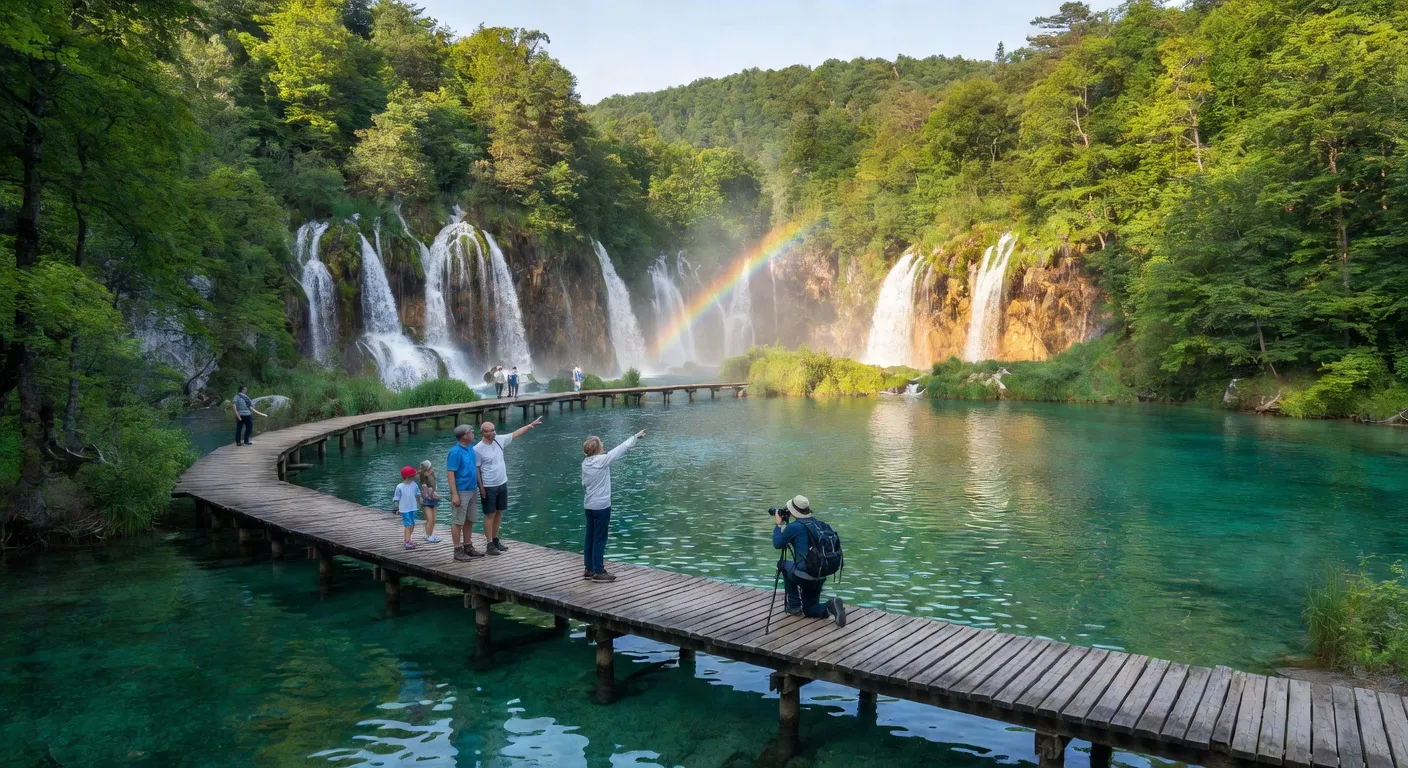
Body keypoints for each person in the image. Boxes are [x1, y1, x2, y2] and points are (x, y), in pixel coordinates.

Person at [580, 428, 646, 582]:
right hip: (601, 506)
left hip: (588, 505)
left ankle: (588, 569)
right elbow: (620, 449)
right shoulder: (603, 461)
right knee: (599, 539)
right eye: (601, 445)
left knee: (589, 537)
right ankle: (598, 571)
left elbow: (583, 484)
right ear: (597, 450)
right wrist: (635, 436)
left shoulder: (585, 463)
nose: (604, 447)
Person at [772, 495, 845, 625]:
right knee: (810, 609)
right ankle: (830, 605)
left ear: (793, 512)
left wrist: (779, 525)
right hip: (820, 574)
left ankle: (794, 606)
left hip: (805, 575)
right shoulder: (817, 524)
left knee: (783, 565)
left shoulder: (795, 527)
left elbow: (778, 543)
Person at [474, 416, 542, 555]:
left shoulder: (499, 440)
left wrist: (530, 425)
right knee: (489, 514)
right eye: (490, 431)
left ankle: (495, 539)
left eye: (494, 430)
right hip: (488, 485)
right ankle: (488, 544)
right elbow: (477, 470)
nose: (493, 433)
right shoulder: (477, 449)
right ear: (483, 433)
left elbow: (516, 434)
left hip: (502, 482)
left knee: (499, 512)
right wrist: (481, 487)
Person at [446, 424, 484, 561]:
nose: (473, 433)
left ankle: (468, 546)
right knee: (458, 520)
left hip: (472, 489)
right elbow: (450, 474)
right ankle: (457, 550)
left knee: (470, 519)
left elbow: (474, 468)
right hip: (461, 490)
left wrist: (480, 487)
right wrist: (454, 494)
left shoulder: (470, 449)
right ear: (464, 436)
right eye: (471, 432)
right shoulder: (455, 452)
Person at [392, 466, 421, 550]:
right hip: (404, 509)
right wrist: (397, 508)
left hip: (413, 507)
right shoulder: (399, 487)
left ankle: (407, 539)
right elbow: (396, 498)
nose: (414, 477)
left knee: (412, 524)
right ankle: (407, 542)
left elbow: (417, 494)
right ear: (408, 477)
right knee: (408, 524)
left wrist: (418, 502)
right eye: (413, 476)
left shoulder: (414, 485)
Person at [417, 460, 441, 543]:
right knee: (430, 520)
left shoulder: (431, 475)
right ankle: (429, 535)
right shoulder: (424, 476)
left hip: (433, 499)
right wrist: (429, 473)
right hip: (426, 501)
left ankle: (430, 534)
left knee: (433, 520)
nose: (432, 468)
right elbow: (429, 484)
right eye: (431, 467)